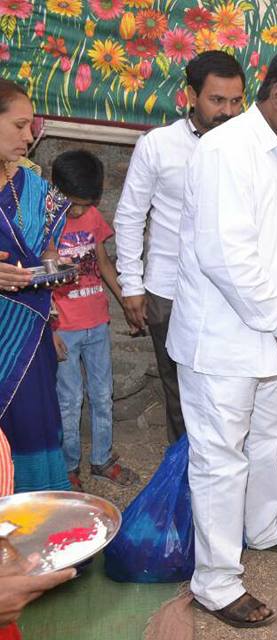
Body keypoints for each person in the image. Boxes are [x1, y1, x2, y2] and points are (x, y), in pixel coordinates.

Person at [166, 46, 277, 629]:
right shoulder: (226, 150)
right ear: (276, 94)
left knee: (268, 437)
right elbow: (227, 256)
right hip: (222, 343)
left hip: (273, 339)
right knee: (220, 460)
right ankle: (216, 582)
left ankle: (263, 527)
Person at [114, 51, 245, 444]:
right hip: (168, 291)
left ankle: (223, 475)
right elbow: (130, 216)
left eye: (236, 101)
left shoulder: (247, 149)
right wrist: (132, 286)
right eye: (217, 100)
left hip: (230, 293)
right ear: (191, 95)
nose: (227, 111)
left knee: (227, 392)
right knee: (178, 393)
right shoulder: (158, 145)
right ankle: (182, 483)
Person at [50, 150, 139, 491]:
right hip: (65, 329)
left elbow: (102, 263)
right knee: (69, 401)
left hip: (97, 323)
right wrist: (50, 327)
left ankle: (102, 458)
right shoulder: (46, 226)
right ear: (55, 192)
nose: (80, 211)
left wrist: (127, 301)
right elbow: (37, 280)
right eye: (74, 204)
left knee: (103, 394)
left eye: (87, 204)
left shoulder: (92, 219)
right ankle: (69, 466)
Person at [0, 79, 73, 493]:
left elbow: (47, 253)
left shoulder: (35, 190)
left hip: (28, 340)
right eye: (20, 125)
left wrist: (54, 270)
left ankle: (30, 542)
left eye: (32, 126)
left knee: (31, 427)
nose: (29, 137)